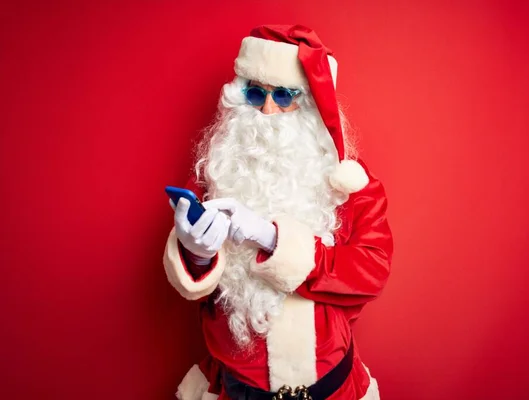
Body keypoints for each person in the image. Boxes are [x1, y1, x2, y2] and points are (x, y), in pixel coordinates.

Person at [163, 24, 394, 400]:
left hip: (331, 389)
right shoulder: (215, 172)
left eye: (285, 96)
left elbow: (372, 270)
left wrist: (272, 238)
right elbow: (195, 287)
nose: (268, 110)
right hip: (234, 390)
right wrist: (196, 253)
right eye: (256, 94)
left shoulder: (351, 183)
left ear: (311, 104)